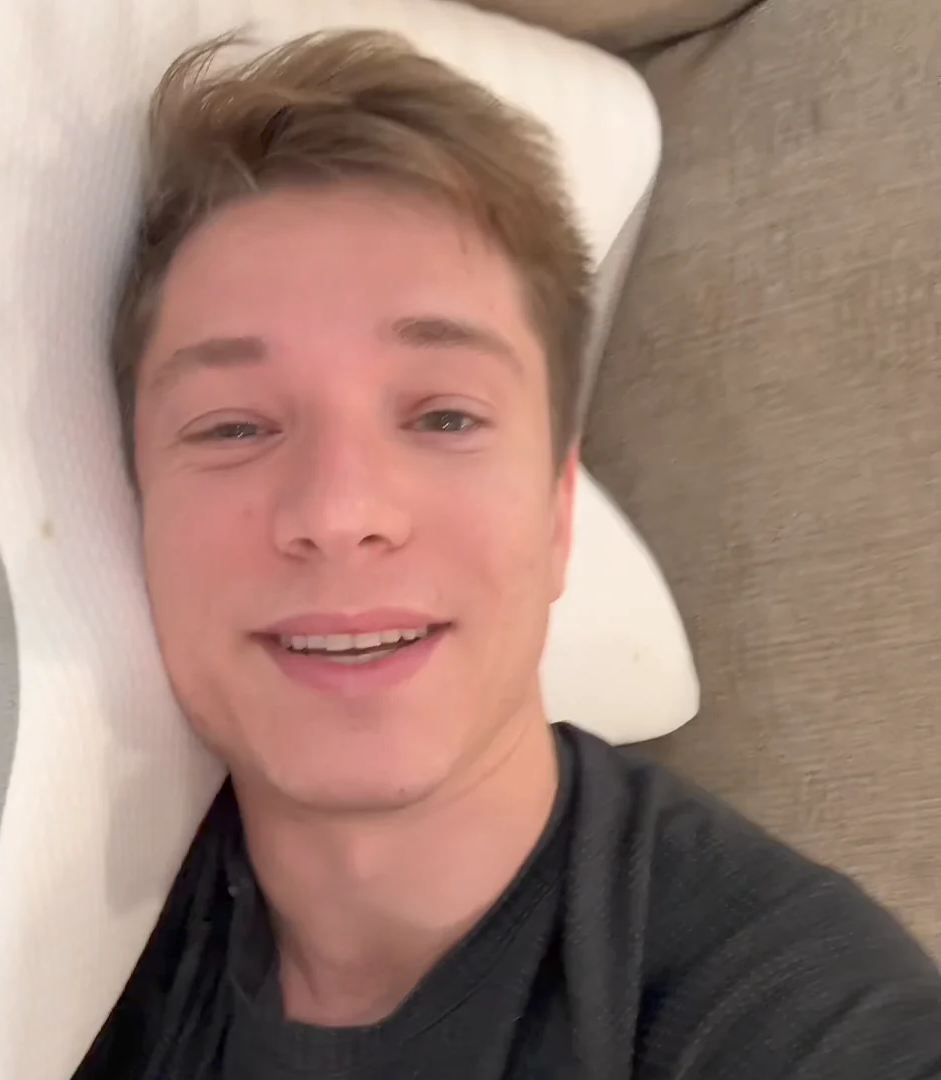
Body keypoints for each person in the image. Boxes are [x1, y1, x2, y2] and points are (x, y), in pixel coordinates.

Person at [73, 28, 941, 1080]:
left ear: (558, 514)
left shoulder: (784, 1002)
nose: (340, 511)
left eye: (443, 417)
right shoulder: (55, 945)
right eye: (234, 426)